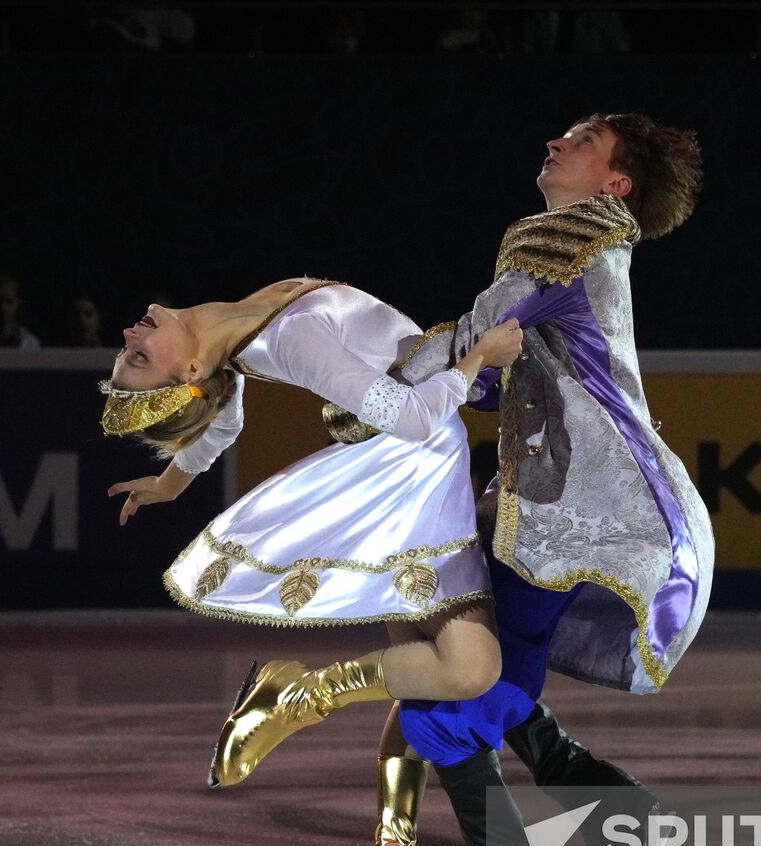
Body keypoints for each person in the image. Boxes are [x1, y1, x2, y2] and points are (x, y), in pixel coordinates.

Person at [354, 113, 714, 846]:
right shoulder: (593, 242)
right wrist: (456, 367)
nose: (554, 141)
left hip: (577, 512)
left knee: (450, 698)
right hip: (571, 507)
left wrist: (356, 383)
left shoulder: (565, 235)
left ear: (614, 181)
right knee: (468, 672)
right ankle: (589, 806)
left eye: (581, 139)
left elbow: (474, 339)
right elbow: (492, 368)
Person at [102, 278, 523, 789]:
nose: (131, 335)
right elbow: (409, 417)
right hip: (411, 479)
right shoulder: (288, 340)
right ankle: (297, 697)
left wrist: (171, 484)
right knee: (470, 669)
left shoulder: (238, 347)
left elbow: (224, 421)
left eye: (128, 352)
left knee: (434, 678)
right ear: (190, 370)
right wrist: (479, 357)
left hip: (410, 472)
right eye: (139, 357)